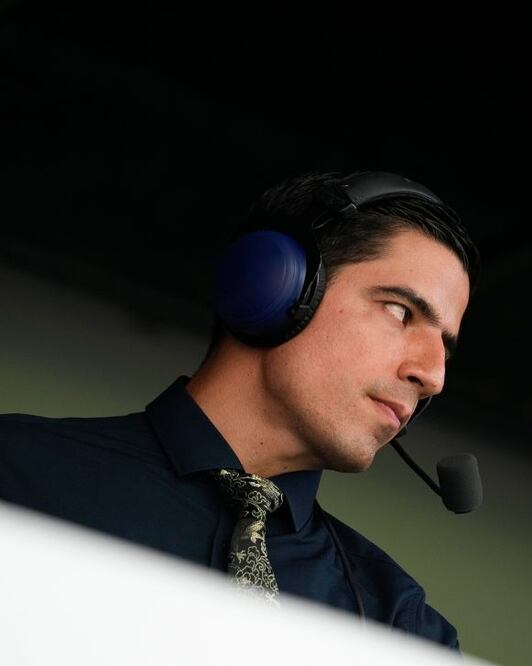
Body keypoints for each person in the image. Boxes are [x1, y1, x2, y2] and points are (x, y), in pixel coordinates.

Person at [0, 171, 479, 649]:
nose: (433, 375)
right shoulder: (16, 474)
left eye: (446, 348)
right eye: (401, 312)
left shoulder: (402, 627)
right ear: (275, 284)